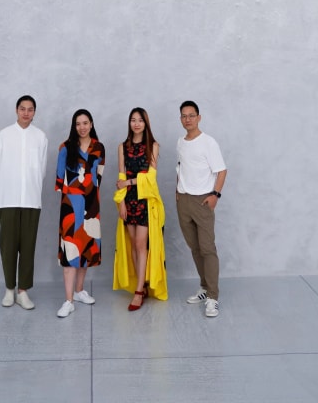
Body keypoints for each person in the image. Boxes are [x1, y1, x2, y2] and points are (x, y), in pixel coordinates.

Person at [0, 95, 48, 310]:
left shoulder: (40, 137)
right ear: (16, 110)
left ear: (34, 112)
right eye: (22, 109)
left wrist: (30, 186)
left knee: (28, 247)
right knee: (8, 246)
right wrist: (4, 183)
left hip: (31, 200)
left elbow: (41, 170)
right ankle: (9, 289)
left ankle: (23, 291)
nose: (26, 113)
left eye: (30, 109)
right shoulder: (4, 135)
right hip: (8, 199)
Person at [112, 107, 167, 309]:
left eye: (140, 120)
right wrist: (121, 202)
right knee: (133, 244)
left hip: (146, 201)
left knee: (142, 244)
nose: (136, 123)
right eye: (133, 120)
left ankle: (138, 292)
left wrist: (128, 184)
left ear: (146, 123)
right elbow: (120, 175)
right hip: (129, 201)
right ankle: (140, 285)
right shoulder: (122, 147)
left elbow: (151, 178)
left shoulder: (153, 145)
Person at [176, 100, 227, 318]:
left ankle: (213, 297)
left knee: (207, 248)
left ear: (199, 117)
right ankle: (204, 288)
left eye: (191, 115)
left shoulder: (208, 142)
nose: (187, 119)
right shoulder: (181, 142)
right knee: (195, 248)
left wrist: (215, 195)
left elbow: (222, 170)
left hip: (203, 201)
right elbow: (181, 167)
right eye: (184, 116)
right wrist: (177, 191)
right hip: (184, 201)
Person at [55, 109, 105, 317]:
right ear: (74, 126)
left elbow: (98, 177)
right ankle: (68, 301)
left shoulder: (99, 147)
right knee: (70, 253)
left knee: (86, 250)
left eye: (85, 123)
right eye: (78, 124)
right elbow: (59, 179)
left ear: (91, 124)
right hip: (71, 206)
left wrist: (89, 200)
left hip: (92, 205)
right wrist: (74, 198)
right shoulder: (65, 147)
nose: (82, 127)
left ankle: (79, 291)